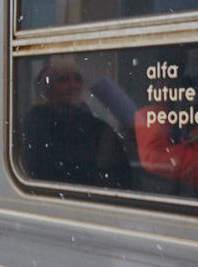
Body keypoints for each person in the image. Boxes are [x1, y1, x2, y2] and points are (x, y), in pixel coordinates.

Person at [20, 57, 131, 188]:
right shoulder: (33, 126)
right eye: (62, 80)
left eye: (77, 79)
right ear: (48, 89)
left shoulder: (99, 130)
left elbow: (121, 179)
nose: (72, 86)